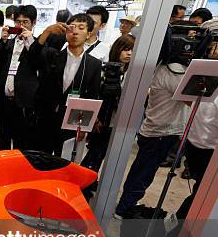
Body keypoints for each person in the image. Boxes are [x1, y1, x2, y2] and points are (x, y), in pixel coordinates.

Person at [114, 44, 191, 219]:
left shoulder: (165, 68)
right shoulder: (174, 72)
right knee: (143, 174)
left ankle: (127, 204)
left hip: (159, 131)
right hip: (160, 133)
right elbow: (195, 101)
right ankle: (124, 208)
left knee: (143, 171)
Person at [28, 13, 102, 156]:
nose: (75, 32)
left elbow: (92, 96)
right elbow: (33, 56)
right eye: (72, 27)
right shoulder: (52, 55)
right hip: (45, 118)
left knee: (64, 161)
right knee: (41, 159)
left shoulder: (93, 64)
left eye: (81, 28)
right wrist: (47, 32)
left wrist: (83, 128)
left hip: (71, 122)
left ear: (88, 34)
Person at [177, 18, 218, 218]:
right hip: (206, 149)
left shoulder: (202, 72)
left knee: (200, 193)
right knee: (201, 196)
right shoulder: (205, 74)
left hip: (198, 144)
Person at [82, 34, 135, 175]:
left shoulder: (133, 74)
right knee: (94, 154)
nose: (129, 53)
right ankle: (85, 180)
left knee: (103, 155)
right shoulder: (103, 69)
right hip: (102, 121)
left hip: (120, 122)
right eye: (125, 49)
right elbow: (93, 95)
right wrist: (96, 118)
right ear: (117, 49)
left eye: (132, 49)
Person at [0, 5, 39, 150]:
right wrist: (3, 40)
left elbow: (39, 63)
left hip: (23, 103)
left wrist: (30, 42)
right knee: (3, 140)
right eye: (18, 22)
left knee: (21, 142)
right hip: (4, 101)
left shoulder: (37, 45)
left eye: (26, 22)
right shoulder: (9, 43)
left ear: (33, 22)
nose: (21, 25)